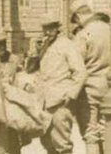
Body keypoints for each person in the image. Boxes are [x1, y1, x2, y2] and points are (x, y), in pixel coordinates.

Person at [38, 12, 88, 154]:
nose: (47, 32)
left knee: (62, 143)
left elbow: (81, 72)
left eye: (51, 28)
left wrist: (71, 95)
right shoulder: (45, 45)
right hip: (45, 102)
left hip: (60, 102)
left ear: (57, 28)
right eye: (45, 28)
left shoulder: (67, 45)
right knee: (47, 141)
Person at [69, 0, 110, 154]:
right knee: (106, 131)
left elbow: (76, 65)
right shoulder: (109, 28)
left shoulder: (83, 34)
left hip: (89, 91)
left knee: (91, 133)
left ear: (78, 16)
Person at [0, 31, 21, 154]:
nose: (1, 47)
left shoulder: (14, 59)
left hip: (11, 106)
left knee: (13, 142)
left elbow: (20, 79)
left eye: (3, 44)